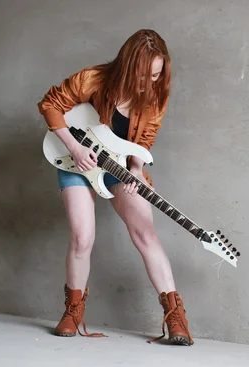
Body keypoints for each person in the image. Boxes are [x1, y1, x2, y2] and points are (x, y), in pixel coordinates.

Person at [37, 29, 193, 346]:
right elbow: (51, 104)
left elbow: (144, 141)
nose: (149, 82)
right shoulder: (93, 78)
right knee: (82, 236)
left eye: (155, 75)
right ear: (126, 65)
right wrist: (75, 148)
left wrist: (135, 171)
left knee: (145, 233)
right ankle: (73, 311)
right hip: (76, 161)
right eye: (143, 74)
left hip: (117, 168)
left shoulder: (155, 94)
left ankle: (175, 317)